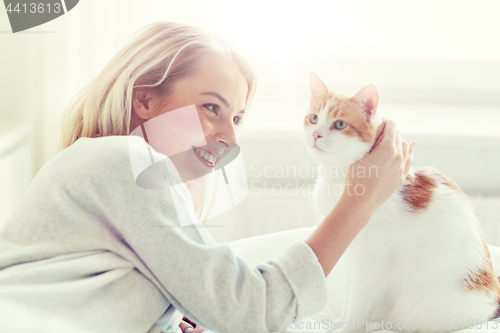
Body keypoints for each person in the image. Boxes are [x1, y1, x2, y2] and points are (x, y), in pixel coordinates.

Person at [0, 22, 415, 333]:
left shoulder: (121, 191)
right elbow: (254, 308)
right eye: (211, 108)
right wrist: (362, 198)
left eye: (236, 117)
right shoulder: (122, 158)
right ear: (144, 99)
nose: (231, 136)